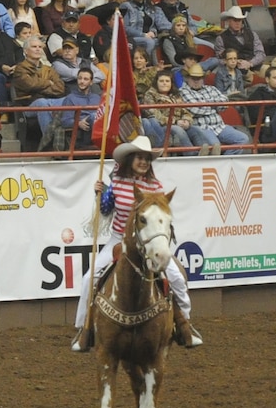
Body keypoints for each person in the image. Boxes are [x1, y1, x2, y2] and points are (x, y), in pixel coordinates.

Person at [71, 136, 200, 352]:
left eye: (147, 159)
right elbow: (105, 210)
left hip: (149, 243)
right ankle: (85, 330)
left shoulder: (155, 187)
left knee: (176, 277)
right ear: (130, 159)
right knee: (88, 279)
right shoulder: (117, 184)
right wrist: (99, 194)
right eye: (139, 157)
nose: (143, 162)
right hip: (119, 240)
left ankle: (184, 324)